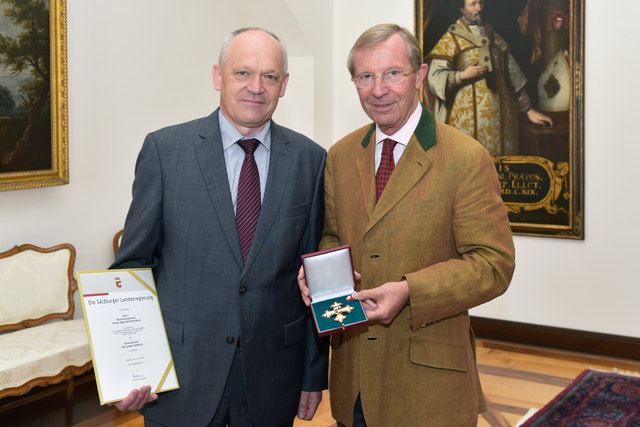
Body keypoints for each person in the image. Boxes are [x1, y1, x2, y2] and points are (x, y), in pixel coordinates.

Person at [297, 23, 515, 426]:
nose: (379, 89)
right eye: (366, 76)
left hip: (429, 387)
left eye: (393, 73)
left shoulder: (466, 158)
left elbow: (493, 264)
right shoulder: (340, 156)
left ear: (419, 76)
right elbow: (332, 234)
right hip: (354, 380)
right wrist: (318, 272)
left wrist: (411, 291)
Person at [111, 27, 328, 426]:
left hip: (272, 377)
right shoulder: (165, 151)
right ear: (218, 76)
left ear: (284, 86)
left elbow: (314, 275)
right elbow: (132, 266)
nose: (256, 87)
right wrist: (129, 369)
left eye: (270, 76)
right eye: (243, 73)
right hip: (181, 377)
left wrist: (313, 375)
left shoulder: (310, 160)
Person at [426, 0, 553, 156]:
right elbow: (434, 78)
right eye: (473, 4)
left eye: (481, 3)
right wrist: (462, 76)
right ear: (462, 9)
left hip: (502, 123)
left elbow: (513, 75)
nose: (479, 8)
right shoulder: (451, 38)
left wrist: (528, 110)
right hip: (466, 125)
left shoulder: (493, 36)